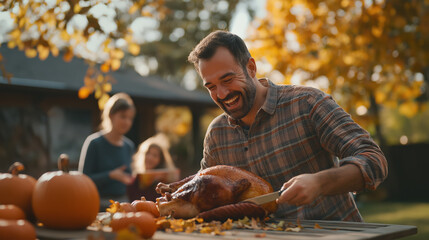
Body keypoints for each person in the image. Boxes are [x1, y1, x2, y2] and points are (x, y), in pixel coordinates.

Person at [181, 30, 388, 221]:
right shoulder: (217, 134)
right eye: (211, 87)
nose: (222, 94)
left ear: (251, 68)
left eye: (227, 79)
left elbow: (374, 160)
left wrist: (319, 183)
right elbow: (202, 197)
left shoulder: (307, 103)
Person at [78, 92, 136, 211]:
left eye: (130, 118)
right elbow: (84, 179)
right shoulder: (94, 143)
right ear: (110, 115)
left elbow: (130, 179)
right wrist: (110, 175)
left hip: (123, 204)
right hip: (97, 203)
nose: (127, 122)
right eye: (123, 116)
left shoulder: (129, 146)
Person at [127, 133, 179, 202]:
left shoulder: (167, 180)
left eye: (155, 155)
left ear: (161, 160)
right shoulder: (136, 178)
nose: (150, 157)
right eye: (147, 153)